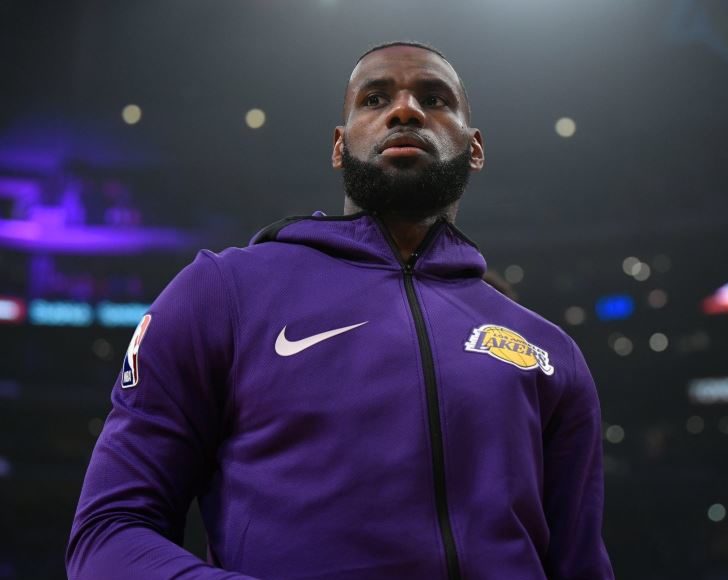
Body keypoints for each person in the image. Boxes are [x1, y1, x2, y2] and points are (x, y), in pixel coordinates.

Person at [67, 41, 615, 580]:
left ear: (474, 148)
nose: (405, 110)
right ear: (338, 146)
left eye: (435, 99)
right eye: (375, 99)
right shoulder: (223, 292)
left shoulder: (549, 352)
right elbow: (108, 534)